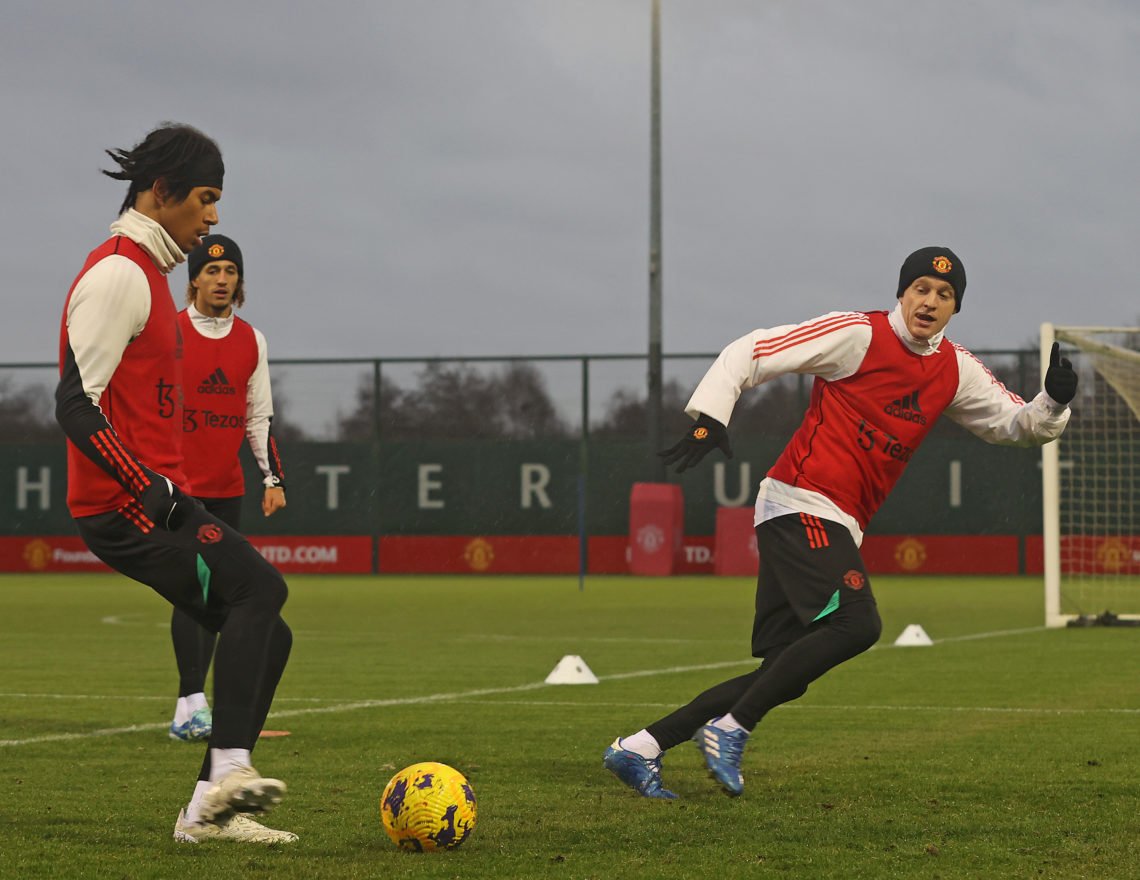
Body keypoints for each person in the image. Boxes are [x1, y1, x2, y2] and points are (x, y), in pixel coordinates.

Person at [603, 246, 1078, 799]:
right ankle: (730, 728)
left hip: (838, 522)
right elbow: (753, 350)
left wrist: (1054, 401)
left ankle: (638, 748)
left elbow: (1017, 425)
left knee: (784, 674)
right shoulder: (858, 335)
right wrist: (712, 414)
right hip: (798, 501)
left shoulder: (955, 369)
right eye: (921, 288)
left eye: (945, 295)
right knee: (859, 624)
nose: (930, 301)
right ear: (902, 292)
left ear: (955, 308)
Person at [55, 123, 296, 843]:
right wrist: (147, 486)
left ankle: (204, 813)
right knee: (261, 589)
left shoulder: (150, 275)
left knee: (268, 633)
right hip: (126, 506)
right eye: (205, 198)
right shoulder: (120, 272)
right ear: (161, 194)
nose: (213, 218)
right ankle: (225, 777)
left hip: (154, 499)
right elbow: (73, 401)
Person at [167, 234, 287, 746]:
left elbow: (258, 415)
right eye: (212, 272)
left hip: (226, 489)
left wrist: (272, 477)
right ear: (193, 277)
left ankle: (195, 705)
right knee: (192, 586)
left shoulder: (251, 341)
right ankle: (189, 703)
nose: (221, 280)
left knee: (220, 589)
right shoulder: (163, 333)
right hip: (175, 488)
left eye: (230, 272)